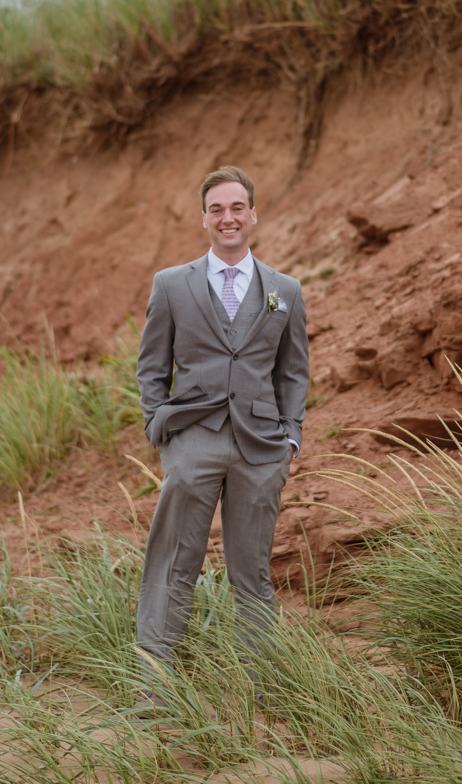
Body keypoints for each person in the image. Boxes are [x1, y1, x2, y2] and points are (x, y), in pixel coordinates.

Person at [133, 165, 309, 694]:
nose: (227, 218)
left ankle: (260, 695)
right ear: (203, 218)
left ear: (252, 214)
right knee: (172, 566)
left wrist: (290, 437)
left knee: (252, 574)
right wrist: (158, 425)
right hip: (193, 440)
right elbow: (151, 365)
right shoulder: (171, 285)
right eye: (217, 209)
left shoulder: (286, 290)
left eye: (237, 208)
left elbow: (293, 371)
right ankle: (155, 693)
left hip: (261, 449)